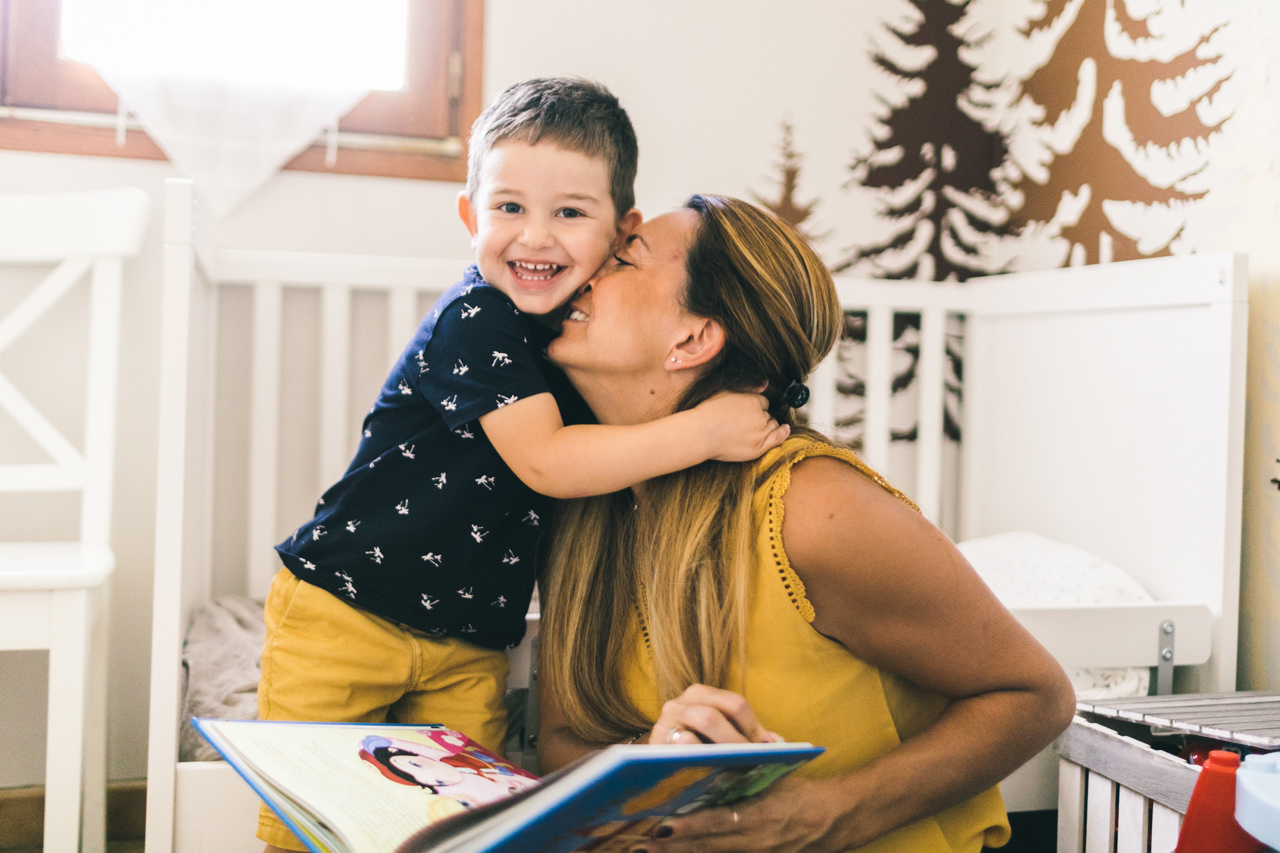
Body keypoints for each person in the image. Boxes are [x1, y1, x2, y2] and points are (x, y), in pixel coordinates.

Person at [257, 80, 788, 852]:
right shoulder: (478, 317)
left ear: (621, 232)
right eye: (508, 209)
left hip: (471, 641)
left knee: (470, 821)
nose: (534, 238)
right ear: (471, 216)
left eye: (569, 213)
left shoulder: (579, 337)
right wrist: (705, 430)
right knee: (307, 814)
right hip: (345, 608)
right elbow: (547, 460)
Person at [536, 194, 1077, 852]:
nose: (583, 267)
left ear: (693, 337)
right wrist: (653, 773)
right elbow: (562, 739)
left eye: (622, 258)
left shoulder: (810, 510)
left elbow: (1037, 695)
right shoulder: (585, 503)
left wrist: (823, 812)